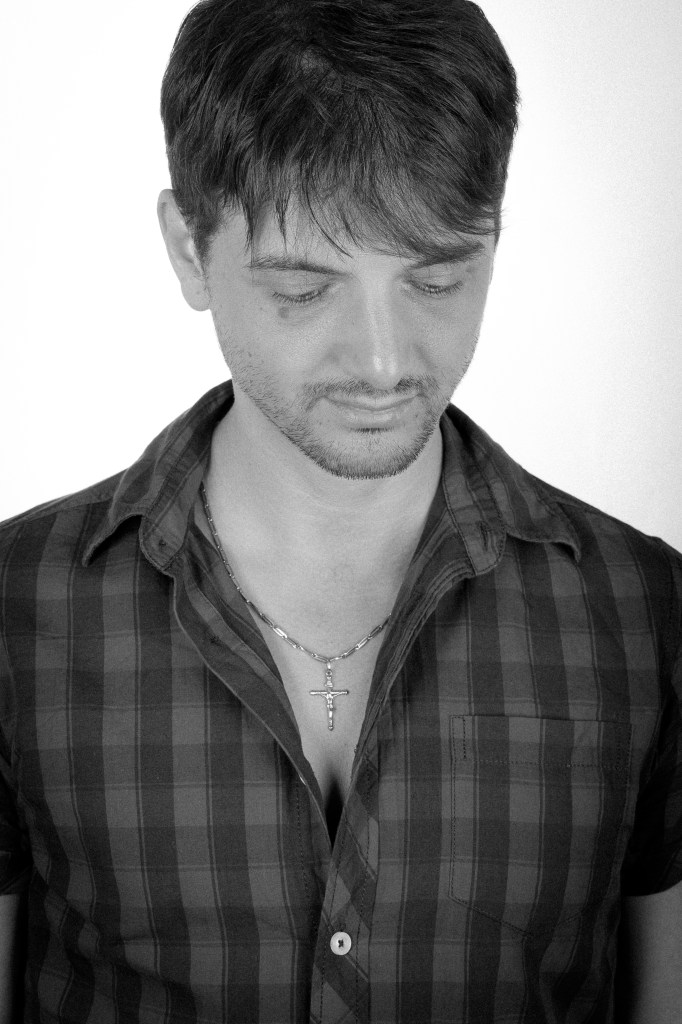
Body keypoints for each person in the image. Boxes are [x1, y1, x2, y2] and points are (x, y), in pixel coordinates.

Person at [1, 0, 681, 1020]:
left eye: (436, 279)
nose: (382, 361)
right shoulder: (16, 611)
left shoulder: (644, 614)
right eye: (304, 289)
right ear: (188, 249)